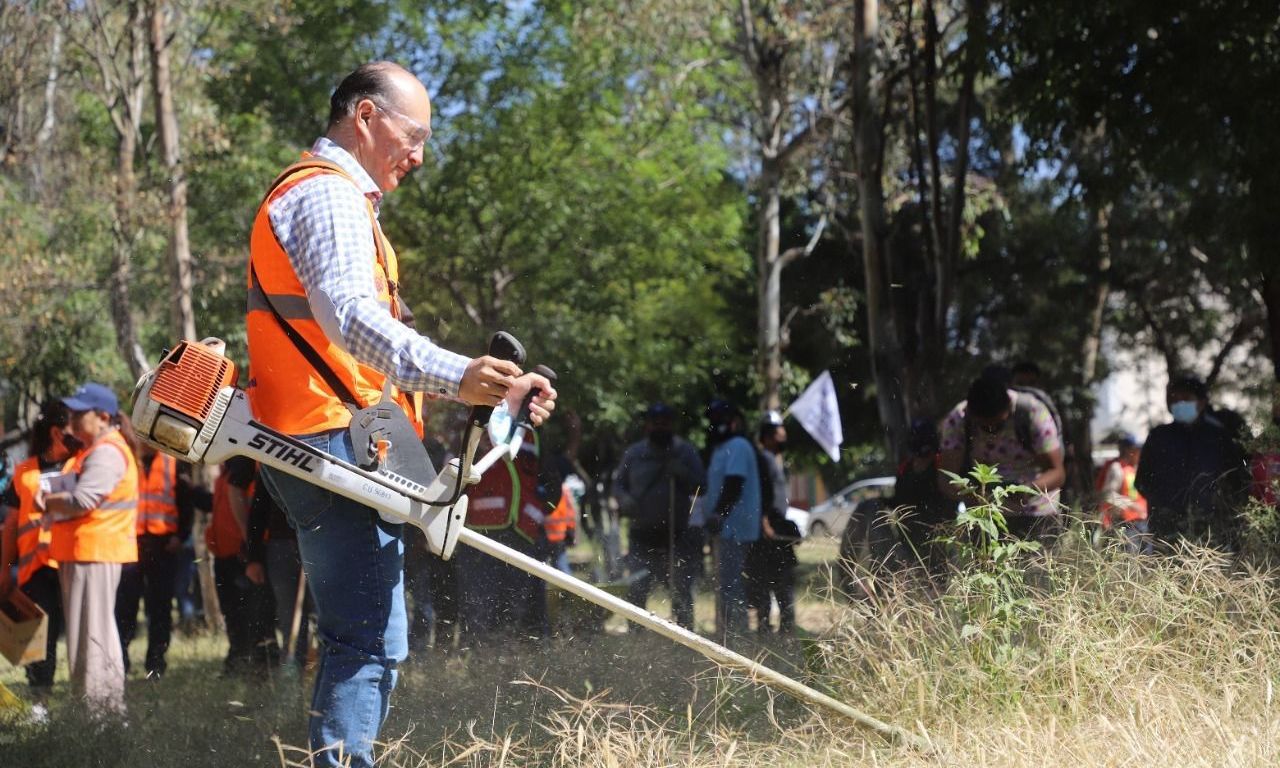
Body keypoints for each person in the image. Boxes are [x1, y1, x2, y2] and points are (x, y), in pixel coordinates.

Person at [247, 61, 555, 767]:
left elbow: (364, 345)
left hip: (343, 431)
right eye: (413, 137)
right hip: (334, 435)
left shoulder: (337, 200)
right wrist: (459, 374)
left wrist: (496, 394)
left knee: (370, 635)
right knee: (366, 639)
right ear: (365, 116)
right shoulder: (330, 195)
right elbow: (351, 318)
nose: (418, 156)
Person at [43, 382, 138, 716]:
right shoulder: (95, 449)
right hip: (88, 552)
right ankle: (102, 711)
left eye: (79, 413)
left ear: (102, 417)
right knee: (92, 632)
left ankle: (97, 713)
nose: (72, 419)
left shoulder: (107, 451)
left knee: (92, 634)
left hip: (94, 552)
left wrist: (48, 499)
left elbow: (82, 500)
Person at [937, 375, 1066, 545]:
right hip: (985, 518)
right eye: (984, 427)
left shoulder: (1032, 412)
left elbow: (1057, 473)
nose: (991, 432)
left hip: (1037, 513)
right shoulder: (958, 419)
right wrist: (976, 496)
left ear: (1008, 408)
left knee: (1039, 562)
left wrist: (1025, 491)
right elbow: (946, 478)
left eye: (997, 425)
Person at [0, 401, 73, 699]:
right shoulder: (24, 472)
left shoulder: (79, 465)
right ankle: (40, 696)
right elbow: (11, 526)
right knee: (38, 637)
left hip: (72, 561)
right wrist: (4, 570)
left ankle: (87, 696)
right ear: (56, 432)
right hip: (36, 569)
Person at [613, 403, 705, 629]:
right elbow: (618, 486)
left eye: (665, 423)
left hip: (677, 535)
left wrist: (682, 472)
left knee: (681, 590)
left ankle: (685, 635)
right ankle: (635, 634)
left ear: (672, 425)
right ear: (648, 426)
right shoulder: (634, 453)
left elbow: (702, 486)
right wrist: (624, 499)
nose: (660, 427)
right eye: (656, 423)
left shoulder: (685, 452)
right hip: (642, 535)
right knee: (637, 589)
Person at [456, 435, 553, 641]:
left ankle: (515, 647)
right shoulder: (478, 421)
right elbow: (454, 471)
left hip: (523, 532)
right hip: (480, 531)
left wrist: (539, 509)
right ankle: (476, 651)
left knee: (518, 602)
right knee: (479, 603)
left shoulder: (532, 432)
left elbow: (550, 481)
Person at [1135, 374, 1247, 550]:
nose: (1179, 404)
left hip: (1210, 531)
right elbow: (1142, 481)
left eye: (1186, 398)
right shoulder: (1159, 437)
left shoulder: (1218, 437)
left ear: (1201, 403)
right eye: (1175, 400)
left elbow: (1236, 481)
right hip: (1167, 530)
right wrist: (1163, 507)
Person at [114, 442, 197, 678]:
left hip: (163, 546)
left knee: (160, 606)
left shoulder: (172, 462)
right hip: (131, 544)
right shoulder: (126, 461)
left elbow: (186, 502)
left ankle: (156, 664)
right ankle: (121, 661)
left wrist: (181, 536)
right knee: (125, 605)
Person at [697, 399, 762, 640]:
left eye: (722, 419)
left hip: (736, 527)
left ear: (734, 422)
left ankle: (737, 636)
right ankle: (727, 634)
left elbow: (734, 483)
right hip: (724, 528)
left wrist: (719, 514)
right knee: (725, 583)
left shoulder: (738, 445)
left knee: (731, 585)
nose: (717, 424)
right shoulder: (719, 449)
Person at [208, 457, 277, 675]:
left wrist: (250, 543)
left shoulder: (242, 461)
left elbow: (239, 496)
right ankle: (238, 660)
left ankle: (260, 664)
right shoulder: (226, 469)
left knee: (253, 613)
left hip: (243, 552)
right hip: (224, 552)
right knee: (233, 612)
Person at [244, 474, 313, 668]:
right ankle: (293, 668)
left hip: (318, 541)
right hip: (281, 546)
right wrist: (253, 558)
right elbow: (258, 511)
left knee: (325, 615)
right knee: (289, 615)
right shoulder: (270, 467)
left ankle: (324, 671)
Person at [745, 412, 799, 634]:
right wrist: (764, 522)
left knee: (784, 581)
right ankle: (764, 627)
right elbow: (761, 495)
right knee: (764, 580)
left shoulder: (775, 461)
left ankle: (787, 628)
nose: (784, 436)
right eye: (779, 433)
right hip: (767, 530)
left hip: (778, 526)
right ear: (768, 437)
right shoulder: (762, 460)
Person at [891, 419, 954, 577]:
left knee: (938, 576)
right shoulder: (905, 468)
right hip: (909, 535)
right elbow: (898, 500)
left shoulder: (942, 464)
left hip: (938, 535)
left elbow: (950, 495)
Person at [1096, 434, 1149, 553]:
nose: (1140, 453)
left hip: (1143, 523)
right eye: (1136, 450)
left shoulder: (1137, 467)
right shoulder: (1117, 468)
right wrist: (1131, 505)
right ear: (1128, 451)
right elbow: (1108, 495)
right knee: (1131, 558)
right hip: (1127, 525)